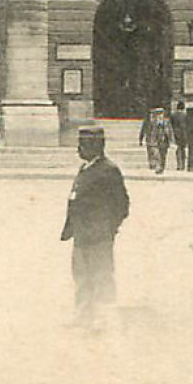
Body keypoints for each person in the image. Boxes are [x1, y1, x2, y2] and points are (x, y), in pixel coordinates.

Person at [61, 125, 129, 326]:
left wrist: (109, 228)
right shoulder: (86, 167)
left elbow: (122, 204)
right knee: (81, 276)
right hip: (81, 233)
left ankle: (103, 318)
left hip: (99, 234)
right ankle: (83, 316)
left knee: (101, 275)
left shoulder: (109, 170)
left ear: (95, 146)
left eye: (82, 145)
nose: (78, 149)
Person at [139, 107, 174, 175]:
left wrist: (171, 140)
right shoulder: (153, 122)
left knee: (163, 156)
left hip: (164, 142)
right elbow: (149, 131)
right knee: (157, 155)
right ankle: (158, 167)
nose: (160, 116)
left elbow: (170, 131)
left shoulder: (166, 122)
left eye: (161, 114)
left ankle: (161, 167)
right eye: (158, 114)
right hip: (155, 142)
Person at [171, 99, 190, 171]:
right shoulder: (185, 115)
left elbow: (172, 124)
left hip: (176, 133)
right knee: (183, 149)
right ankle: (183, 164)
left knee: (178, 149)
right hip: (184, 133)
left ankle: (179, 164)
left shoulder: (173, 115)